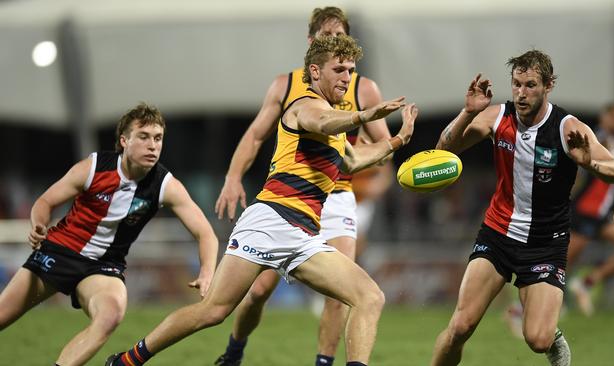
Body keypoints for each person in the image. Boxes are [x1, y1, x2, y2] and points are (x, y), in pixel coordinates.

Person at [106, 35, 417, 366]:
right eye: (338, 69)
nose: (346, 77)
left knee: (369, 297)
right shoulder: (304, 105)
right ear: (315, 71)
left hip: (304, 235)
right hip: (270, 221)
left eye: (351, 71)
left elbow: (352, 162)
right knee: (213, 311)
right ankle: (127, 361)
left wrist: (399, 139)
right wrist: (364, 116)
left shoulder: (335, 121)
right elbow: (323, 121)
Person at [212, 7, 393, 366]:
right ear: (311, 43)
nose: (335, 43)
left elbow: (383, 150)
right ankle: (234, 350)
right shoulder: (286, 85)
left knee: (342, 292)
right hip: (289, 197)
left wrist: (387, 153)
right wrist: (233, 177)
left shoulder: (363, 88)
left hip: (338, 195)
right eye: (327, 37)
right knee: (259, 290)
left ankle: (323, 363)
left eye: (340, 37)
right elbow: (254, 136)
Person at [431, 50, 614, 366]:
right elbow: (444, 150)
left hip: (545, 244)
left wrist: (587, 162)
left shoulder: (566, 128)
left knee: (537, 339)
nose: (521, 93)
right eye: (517, 84)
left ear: (548, 85)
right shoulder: (498, 116)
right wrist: (467, 113)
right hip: (497, 233)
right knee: (460, 327)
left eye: (531, 85)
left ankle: (552, 337)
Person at [0, 103, 219, 366]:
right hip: (59, 252)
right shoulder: (94, 167)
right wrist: (38, 224)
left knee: (110, 315)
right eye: (144, 137)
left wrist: (207, 271)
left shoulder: (165, 185)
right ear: (124, 141)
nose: (153, 146)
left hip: (103, 267)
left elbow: (205, 233)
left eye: (158, 138)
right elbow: (45, 202)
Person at [567, 103, 614, 316]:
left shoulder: (613, 142)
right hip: (586, 212)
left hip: (603, 214)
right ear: (605, 118)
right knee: (561, 265)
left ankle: (586, 283)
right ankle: (522, 309)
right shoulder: (599, 138)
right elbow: (589, 166)